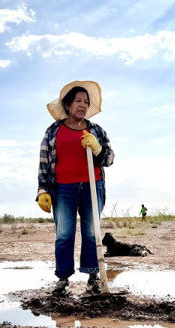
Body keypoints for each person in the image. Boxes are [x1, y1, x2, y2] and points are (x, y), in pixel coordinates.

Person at [36, 81, 114, 296]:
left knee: (92, 234)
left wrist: (97, 147)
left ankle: (93, 278)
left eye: (86, 102)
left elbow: (110, 159)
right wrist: (43, 190)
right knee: (64, 234)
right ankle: (62, 280)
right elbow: (44, 162)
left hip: (92, 187)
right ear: (68, 105)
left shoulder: (96, 130)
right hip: (63, 189)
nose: (83, 105)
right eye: (78, 101)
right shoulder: (53, 131)